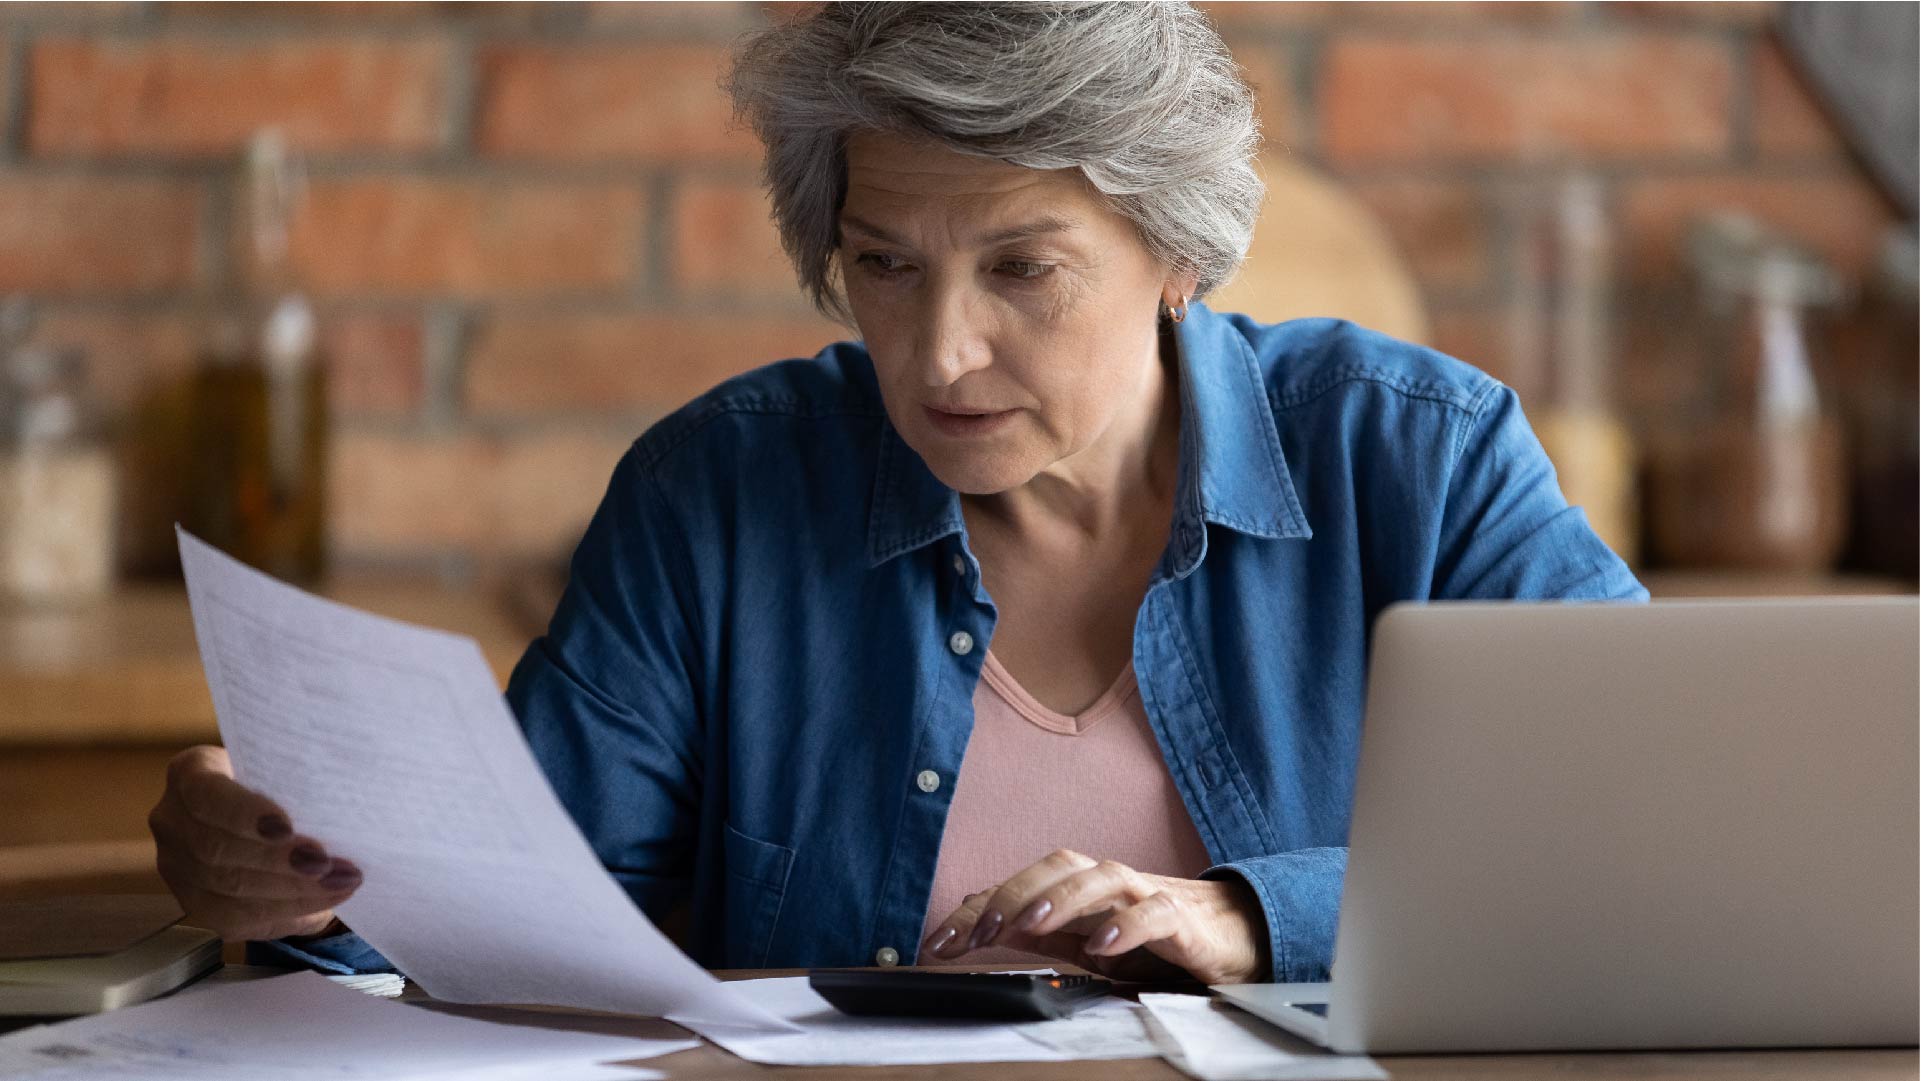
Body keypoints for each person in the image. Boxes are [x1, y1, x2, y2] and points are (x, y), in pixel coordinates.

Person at [147, 1, 1644, 987]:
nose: (939, 352)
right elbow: (508, 915)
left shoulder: (1418, 455)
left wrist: (1254, 913)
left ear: (1178, 256)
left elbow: (1639, 829)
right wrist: (319, 880)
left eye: (1020, 268)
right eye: (884, 264)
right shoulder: (714, 494)